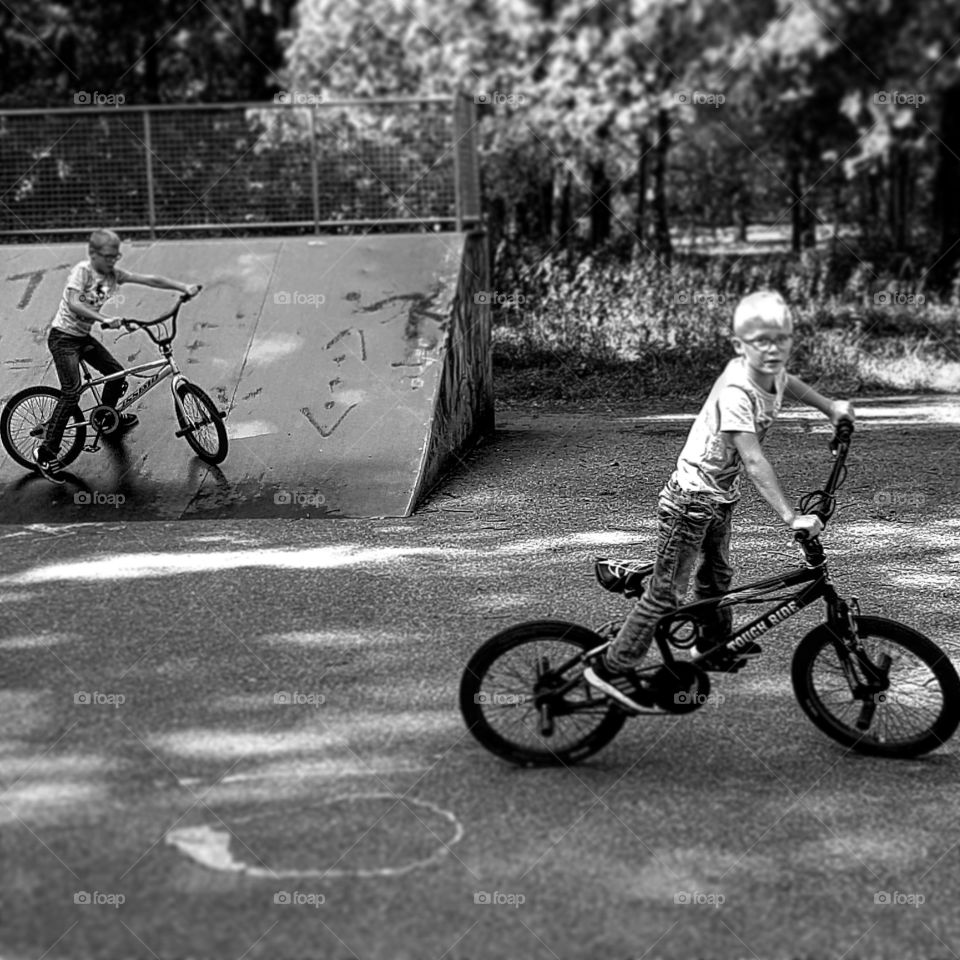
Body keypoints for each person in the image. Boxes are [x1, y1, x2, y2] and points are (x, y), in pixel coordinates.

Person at [585, 289, 855, 712]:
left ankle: (711, 647)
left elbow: (790, 383)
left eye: (781, 338)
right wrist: (791, 517)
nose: (772, 348)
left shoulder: (771, 372)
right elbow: (752, 459)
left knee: (717, 578)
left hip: (719, 498)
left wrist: (830, 407)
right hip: (690, 500)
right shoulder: (736, 391)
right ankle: (613, 670)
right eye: (760, 340)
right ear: (739, 346)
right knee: (667, 596)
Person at [32, 229, 199, 483]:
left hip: (81, 338)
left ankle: (107, 418)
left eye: (116, 256)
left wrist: (182, 287)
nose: (113, 261)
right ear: (93, 254)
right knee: (72, 391)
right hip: (63, 338)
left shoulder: (113, 275)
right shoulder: (83, 272)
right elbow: (75, 302)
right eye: (108, 256)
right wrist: (103, 319)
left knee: (116, 374)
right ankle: (46, 451)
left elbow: (150, 280)